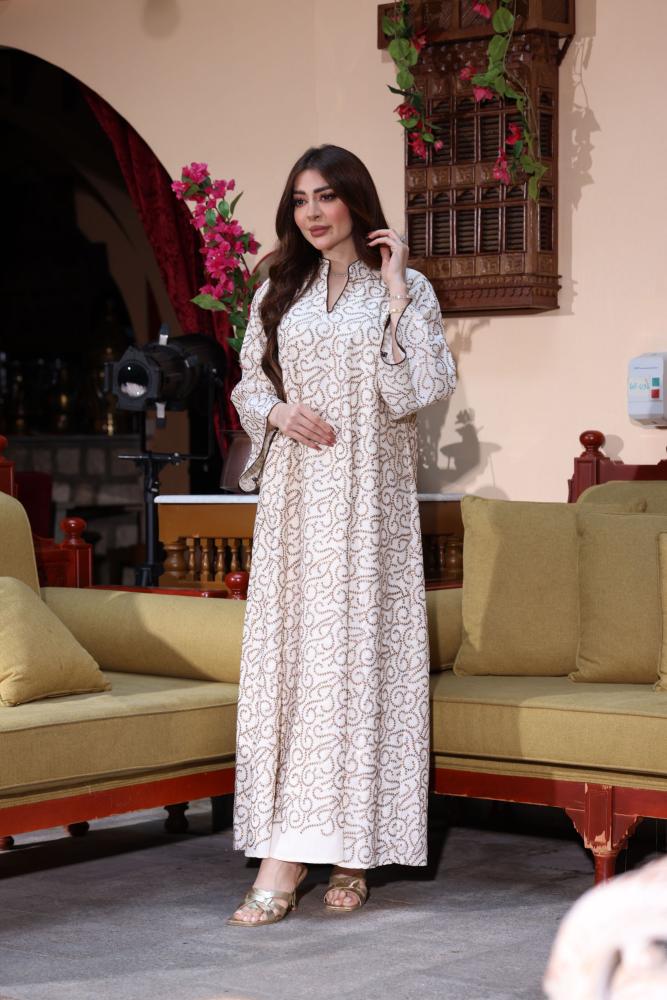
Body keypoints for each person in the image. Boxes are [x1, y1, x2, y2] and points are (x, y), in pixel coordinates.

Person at [227, 143, 457, 926]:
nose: (312, 213)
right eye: (299, 199)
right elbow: (249, 383)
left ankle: (352, 849)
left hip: (368, 505)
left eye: (325, 196)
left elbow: (415, 389)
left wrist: (393, 293)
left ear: (354, 200)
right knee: (299, 667)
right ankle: (289, 848)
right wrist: (275, 411)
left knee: (356, 665)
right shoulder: (276, 288)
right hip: (296, 503)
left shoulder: (408, 288)